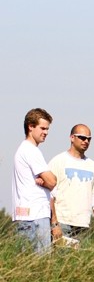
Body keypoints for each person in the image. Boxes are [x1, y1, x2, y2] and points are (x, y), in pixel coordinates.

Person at [48, 124, 94, 243]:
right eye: (82, 138)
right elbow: (50, 195)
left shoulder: (93, 166)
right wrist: (54, 224)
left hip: (84, 226)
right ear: (72, 138)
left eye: (89, 139)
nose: (86, 141)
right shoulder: (58, 161)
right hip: (63, 223)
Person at [12, 108, 57, 253]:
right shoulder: (31, 150)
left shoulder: (24, 149)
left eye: (47, 129)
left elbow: (50, 180)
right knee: (41, 263)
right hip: (35, 217)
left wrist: (47, 181)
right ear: (30, 126)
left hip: (29, 217)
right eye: (42, 128)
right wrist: (48, 182)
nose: (46, 132)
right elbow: (52, 181)